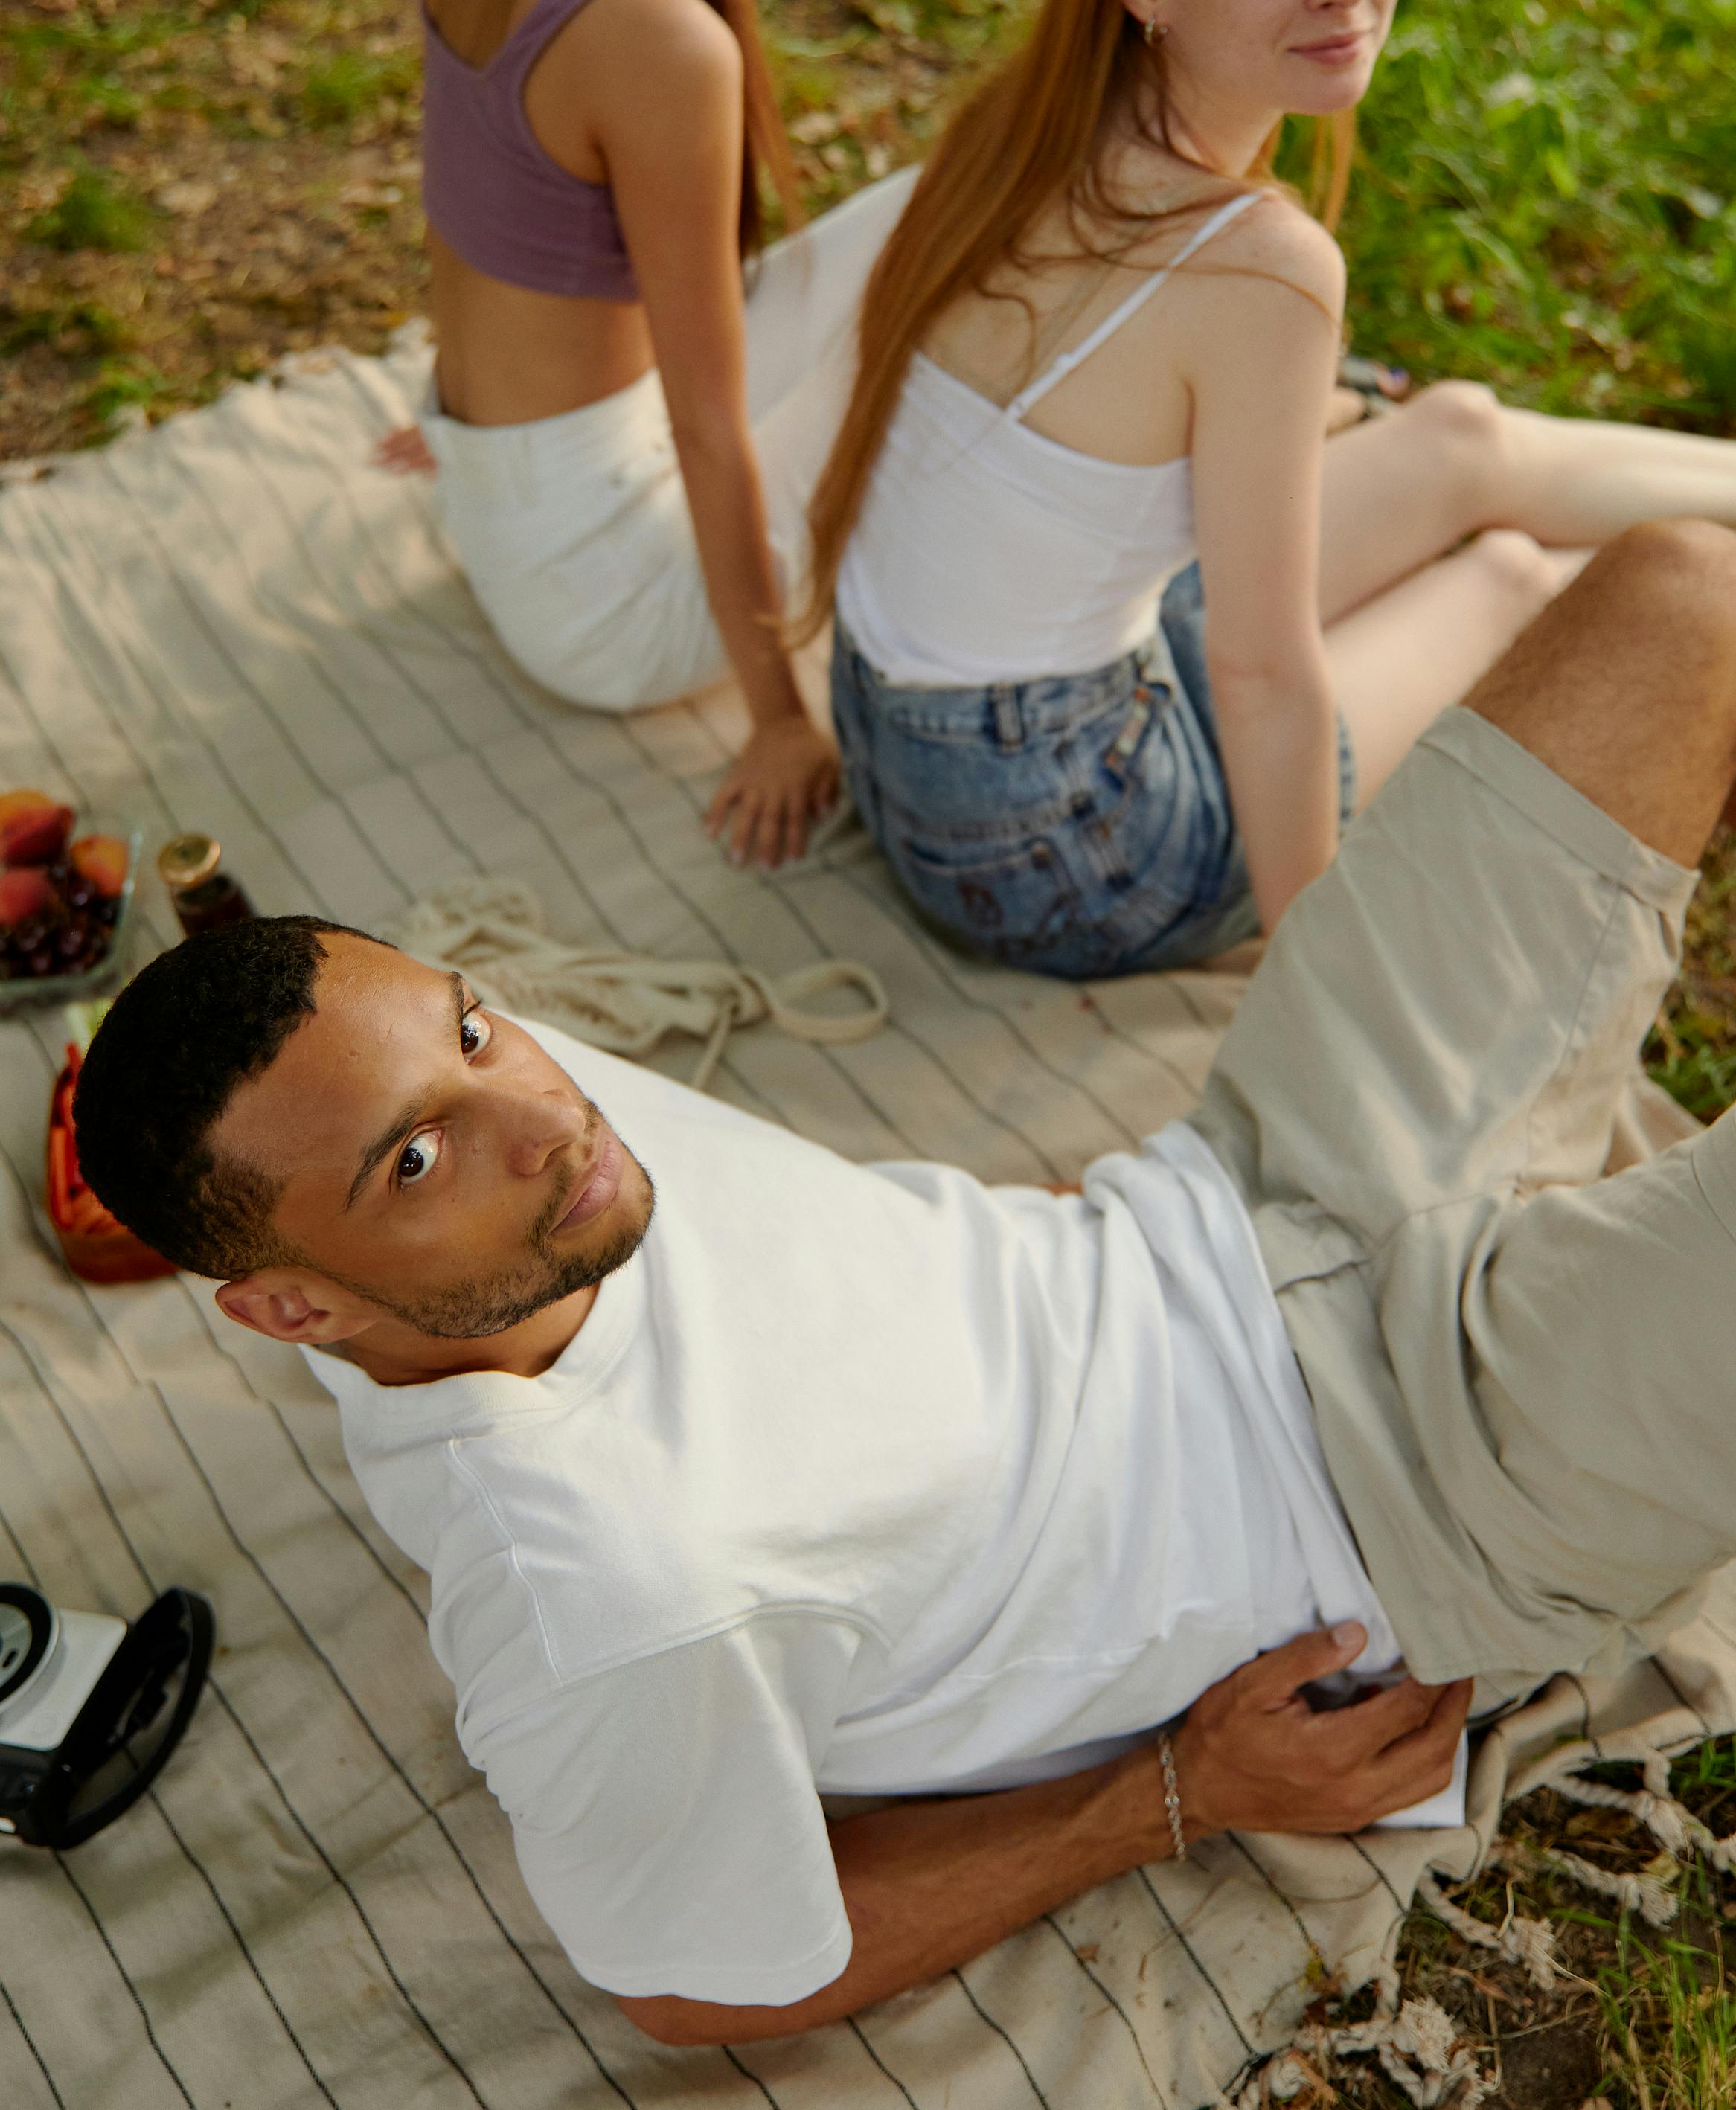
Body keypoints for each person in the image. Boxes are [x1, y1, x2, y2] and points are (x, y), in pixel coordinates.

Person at [71, 516, 1736, 2045]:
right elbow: (677, 1980)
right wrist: (1178, 1790)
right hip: (1406, 1499)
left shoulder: (508, 1125)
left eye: (473, 1022)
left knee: (1681, 601)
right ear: (292, 1307)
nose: (537, 1115)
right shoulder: (601, 1592)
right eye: (416, 1160)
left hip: (1242, 1190)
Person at [804, 0, 1736, 974]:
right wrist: (1308, 984)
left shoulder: (1023, 122)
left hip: (908, 738)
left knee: (1453, 427)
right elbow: (1261, 674)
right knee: (1507, 575)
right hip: (1064, 850)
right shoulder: (1256, 269)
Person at [382, 0, 909, 867]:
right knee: (974, 343)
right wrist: (781, 716)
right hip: (617, 601)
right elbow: (706, 424)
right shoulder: (655, 44)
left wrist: (467, 420)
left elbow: (488, 218)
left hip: (516, 511)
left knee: (948, 208)